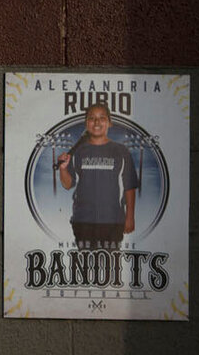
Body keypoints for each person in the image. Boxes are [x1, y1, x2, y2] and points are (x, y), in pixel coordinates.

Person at [55, 101, 139, 249]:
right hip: (83, 220)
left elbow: (129, 186)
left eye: (102, 118)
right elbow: (68, 184)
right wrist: (63, 169)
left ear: (109, 123)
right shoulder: (78, 152)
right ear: (86, 123)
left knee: (110, 267)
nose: (97, 122)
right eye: (92, 118)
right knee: (86, 267)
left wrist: (130, 217)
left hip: (113, 220)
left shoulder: (121, 151)